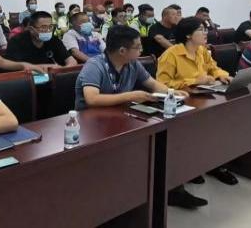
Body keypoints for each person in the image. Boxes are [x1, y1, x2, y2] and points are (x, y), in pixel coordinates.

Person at [73, 26, 199, 208]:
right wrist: (131, 96)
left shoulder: (132, 64)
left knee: (160, 143)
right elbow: (92, 99)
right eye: (138, 47)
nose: (141, 50)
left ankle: (168, 191)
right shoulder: (95, 65)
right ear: (122, 51)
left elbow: (153, 84)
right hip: (92, 126)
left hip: (121, 118)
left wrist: (171, 92)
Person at [156, 17, 239, 188]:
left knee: (221, 126)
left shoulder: (202, 50)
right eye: (200, 29)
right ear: (188, 35)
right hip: (182, 102)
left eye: (205, 29)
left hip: (203, 98)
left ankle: (213, 163)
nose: (205, 33)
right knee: (196, 133)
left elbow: (213, 68)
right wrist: (194, 80)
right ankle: (191, 167)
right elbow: (163, 84)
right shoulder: (171, 54)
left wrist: (223, 75)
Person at [5, 11, 77, 67]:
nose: (48, 30)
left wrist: (64, 69)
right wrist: (45, 67)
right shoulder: (16, 41)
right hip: (26, 78)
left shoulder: (54, 40)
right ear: (31, 29)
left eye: (50, 27)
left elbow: (71, 60)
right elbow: (13, 67)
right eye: (43, 27)